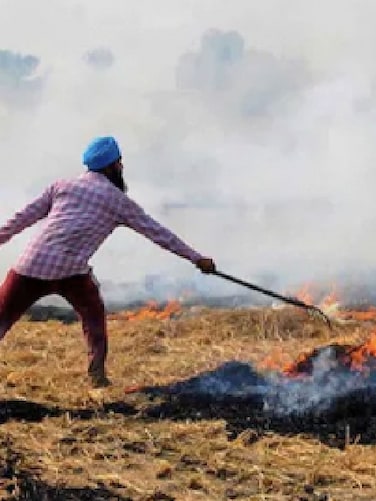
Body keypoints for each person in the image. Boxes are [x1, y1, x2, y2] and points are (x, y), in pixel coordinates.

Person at [0, 136, 215, 388]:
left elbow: (22, 218)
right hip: (70, 271)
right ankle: (97, 376)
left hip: (32, 265)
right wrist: (196, 258)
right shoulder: (118, 201)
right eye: (119, 162)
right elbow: (159, 234)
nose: (121, 167)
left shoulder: (61, 186)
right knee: (94, 319)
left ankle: (98, 376)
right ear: (112, 166)